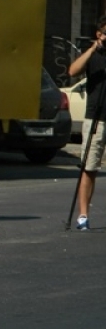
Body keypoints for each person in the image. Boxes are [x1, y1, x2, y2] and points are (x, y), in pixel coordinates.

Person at [68, 15, 106, 231]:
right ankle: (83, 215)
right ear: (99, 34)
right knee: (89, 167)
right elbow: (72, 71)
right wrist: (93, 49)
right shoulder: (93, 56)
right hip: (96, 118)